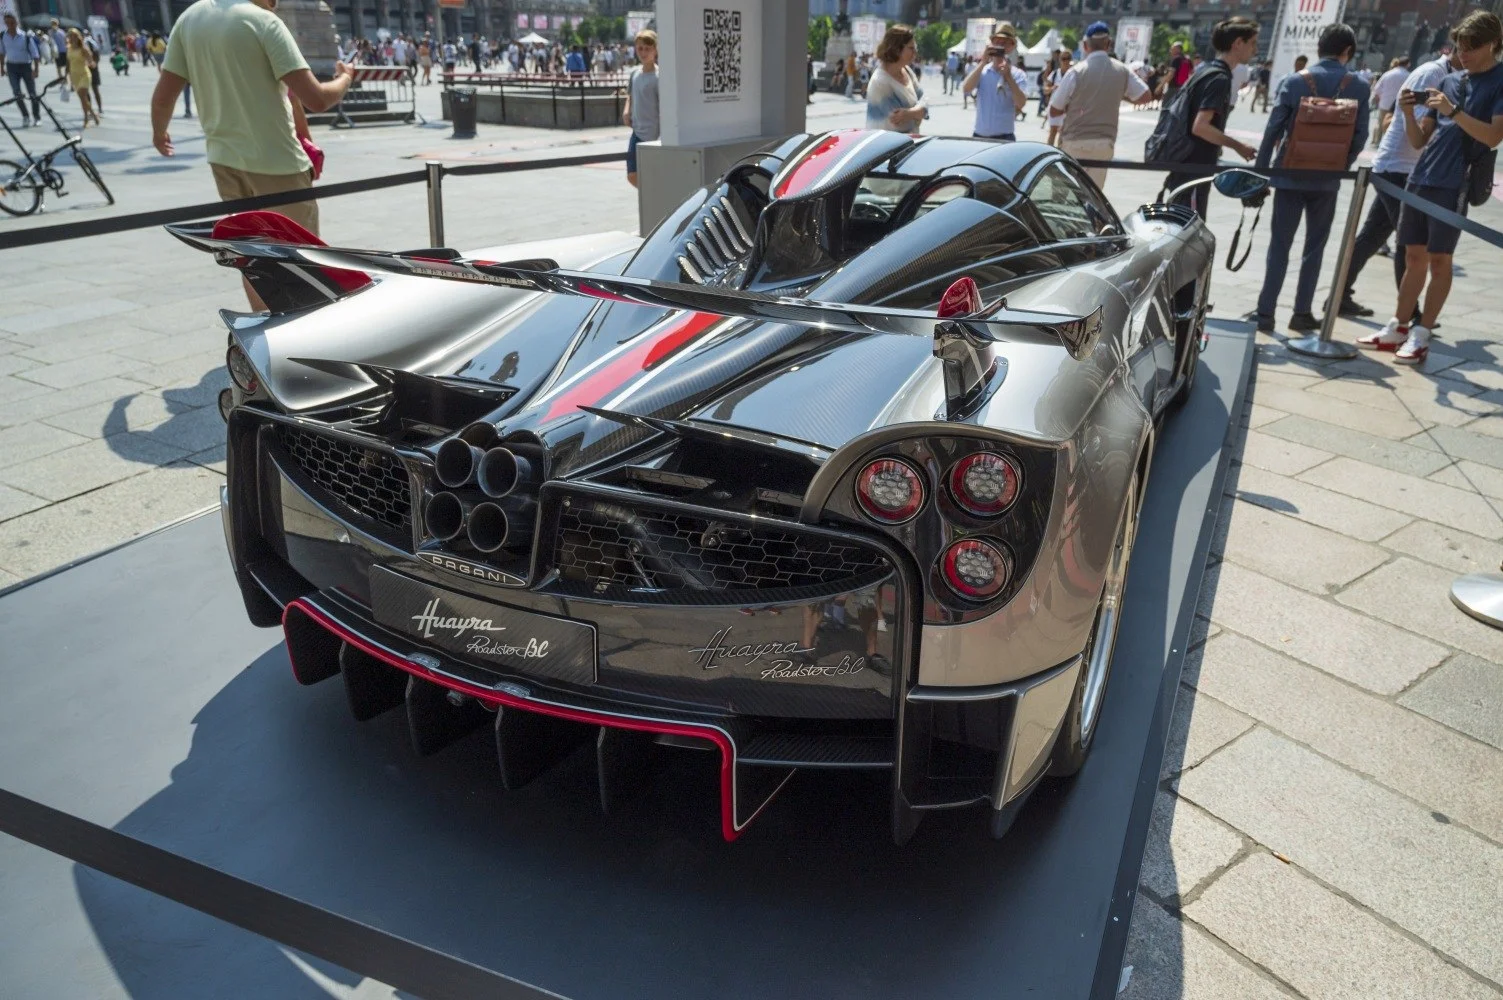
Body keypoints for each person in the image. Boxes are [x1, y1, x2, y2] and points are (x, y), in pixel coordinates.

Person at [151, 0, 355, 309]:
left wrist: (159, 132)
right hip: (278, 163)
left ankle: (263, 325)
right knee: (301, 260)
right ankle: (301, 329)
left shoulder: (189, 20)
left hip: (224, 162)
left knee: (251, 255)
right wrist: (346, 78)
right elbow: (317, 99)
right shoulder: (264, 23)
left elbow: (163, 97)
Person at [1365, 11, 1503, 364]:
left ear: (1493, 44)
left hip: (1455, 182)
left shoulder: (1499, 81)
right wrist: (1406, 112)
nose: (1463, 54)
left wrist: (1454, 112)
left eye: (1471, 47)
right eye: (1460, 46)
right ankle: (1399, 325)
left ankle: (1422, 332)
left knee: (1440, 260)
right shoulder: (1450, 81)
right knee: (1412, 256)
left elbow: (1493, 136)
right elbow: (1418, 140)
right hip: (1420, 177)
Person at [1252, 23, 1369, 334]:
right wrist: (1340, 163)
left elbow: (1273, 130)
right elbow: (1360, 136)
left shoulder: (1294, 81)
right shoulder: (1358, 86)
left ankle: (1265, 313)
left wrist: (1262, 174)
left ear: (1319, 48)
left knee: (1279, 246)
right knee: (1314, 249)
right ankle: (1302, 313)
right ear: (1348, 51)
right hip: (1327, 180)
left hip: (1289, 173)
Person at [1342, 48, 1458, 318]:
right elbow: (1415, 126)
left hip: (1399, 165)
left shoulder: (1445, 74)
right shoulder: (1433, 74)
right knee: (1409, 243)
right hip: (1399, 167)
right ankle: (1409, 314)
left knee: (1373, 235)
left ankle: (1339, 294)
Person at [1162, 18, 1260, 218]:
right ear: (1238, 43)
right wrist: (1238, 146)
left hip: (1186, 164)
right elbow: (1201, 127)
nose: (1255, 50)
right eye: (1252, 43)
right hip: (1194, 167)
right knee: (1188, 226)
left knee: (1181, 224)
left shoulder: (1206, 71)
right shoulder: (1219, 78)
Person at [1049, 21, 1153, 186]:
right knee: (1093, 193)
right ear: (1109, 44)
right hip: (1104, 143)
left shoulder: (1076, 72)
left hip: (1075, 141)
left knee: (1068, 193)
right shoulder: (1122, 70)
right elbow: (1146, 96)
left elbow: (1054, 109)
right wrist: (1119, 94)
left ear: (1085, 45)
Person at [963, 24, 1025, 141]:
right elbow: (966, 89)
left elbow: (1021, 103)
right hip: (979, 135)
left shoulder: (1018, 74)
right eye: (997, 41)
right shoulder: (982, 70)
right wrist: (983, 61)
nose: (1000, 45)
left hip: (1005, 137)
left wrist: (1008, 77)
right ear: (991, 43)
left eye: (1004, 43)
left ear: (1011, 47)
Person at [867, 25, 926, 134]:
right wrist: (919, 113)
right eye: (911, 48)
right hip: (885, 143)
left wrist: (911, 113)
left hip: (908, 141)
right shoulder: (880, 81)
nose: (915, 52)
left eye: (915, 48)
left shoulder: (907, 70)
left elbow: (924, 100)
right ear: (896, 49)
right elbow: (900, 124)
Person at [621, 29, 658, 189]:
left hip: (654, 134)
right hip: (637, 132)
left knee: (651, 173)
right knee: (632, 174)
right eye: (640, 48)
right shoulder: (635, 74)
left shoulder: (659, 77)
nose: (643, 52)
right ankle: (649, 193)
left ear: (655, 50)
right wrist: (626, 110)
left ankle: (651, 195)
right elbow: (630, 95)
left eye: (647, 49)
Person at [2, 14, 42, 127]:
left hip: (26, 66)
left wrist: (36, 69)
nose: (10, 25)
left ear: (17, 22)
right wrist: (1, 67)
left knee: (32, 92)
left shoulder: (26, 36)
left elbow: (35, 54)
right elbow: (2, 53)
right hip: (11, 67)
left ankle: (37, 117)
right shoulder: (3, 36)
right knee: (17, 93)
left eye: (12, 22)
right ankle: (25, 116)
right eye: (7, 23)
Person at [65, 29, 100, 127]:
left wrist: (92, 63)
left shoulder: (83, 48)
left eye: (74, 36)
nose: (73, 38)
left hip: (84, 74)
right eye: (71, 36)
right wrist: (66, 75)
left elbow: (90, 60)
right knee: (82, 98)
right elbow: (68, 63)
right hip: (74, 76)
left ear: (78, 37)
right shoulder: (69, 48)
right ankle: (93, 114)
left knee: (83, 97)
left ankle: (86, 118)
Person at [1372, 57, 1410, 144]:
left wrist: (1378, 99)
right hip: (1400, 104)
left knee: (1381, 123)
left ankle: (1377, 142)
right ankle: (1389, 142)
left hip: (1385, 103)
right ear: (1408, 64)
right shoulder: (1409, 76)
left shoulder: (1387, 74)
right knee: (1395, 125)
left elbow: (1377, 89)